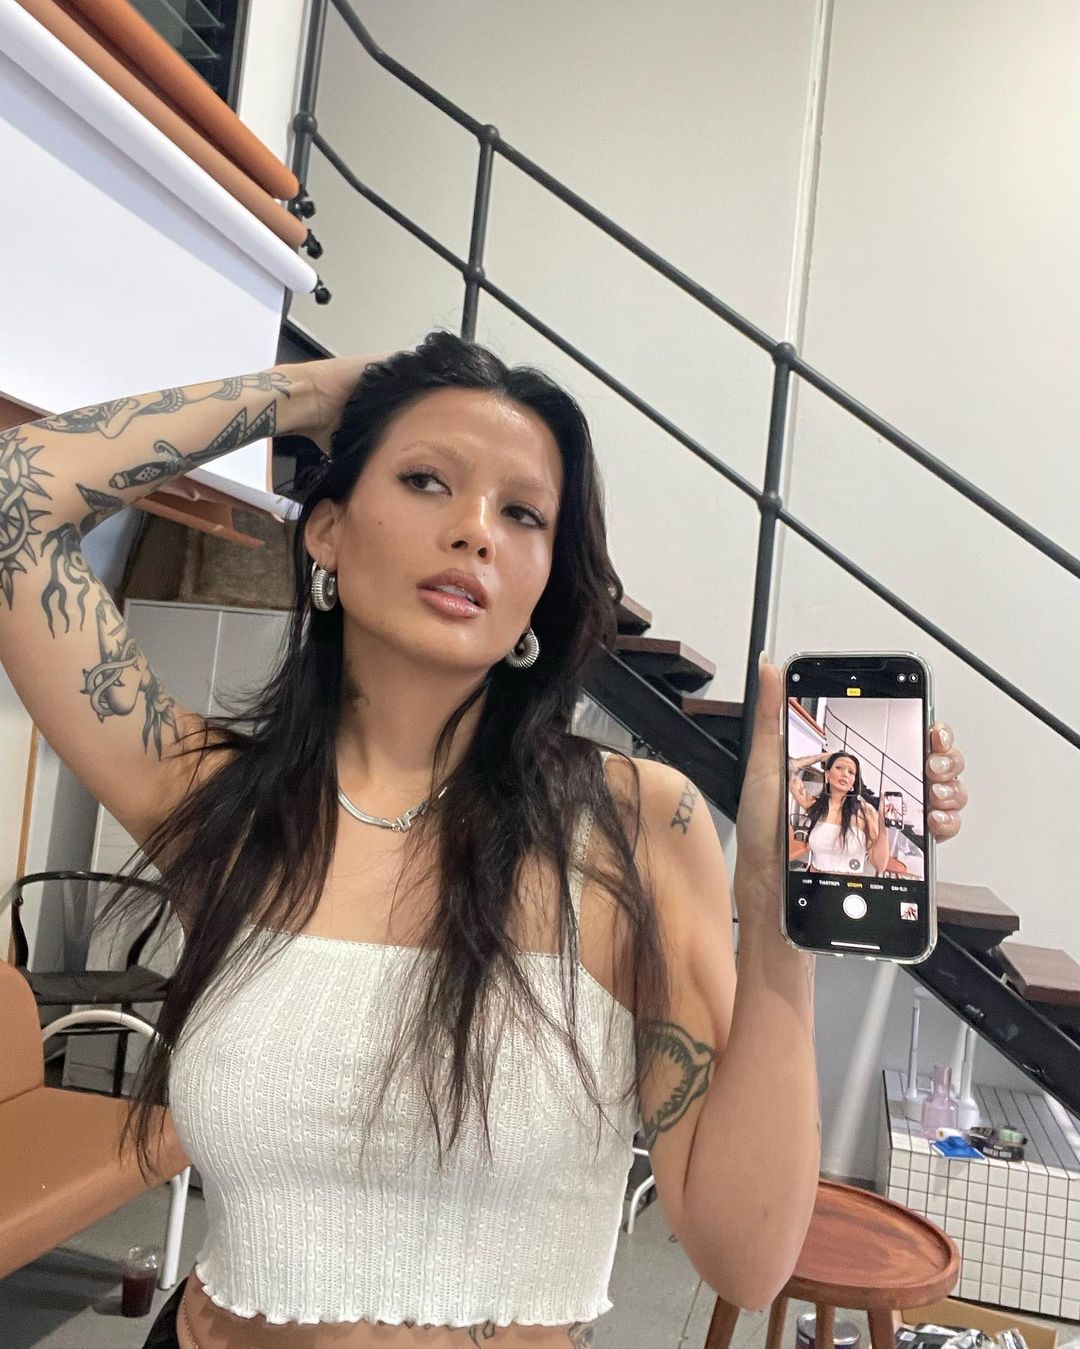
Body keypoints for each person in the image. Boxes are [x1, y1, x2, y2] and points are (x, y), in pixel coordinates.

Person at [0, 333, 968, 1348]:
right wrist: (320, 390)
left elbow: (746, 1256)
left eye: (522, 513)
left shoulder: (637, 824)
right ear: (327, 530)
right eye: (426, 480)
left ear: (542, 586)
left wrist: (775, 917)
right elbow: (19, 489)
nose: (473, 530)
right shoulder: (224, 804)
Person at [788, 750, 892, 876]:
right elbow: (788, 769)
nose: (845, 774)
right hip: (814, 882)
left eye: (851, 772)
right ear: (827, 775)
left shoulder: (865, 812)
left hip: (849, 885)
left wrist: (884, 827)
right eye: (839, 768)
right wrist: (821, 757)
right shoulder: (814, 805)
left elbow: (880, 865)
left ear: (854, 781)